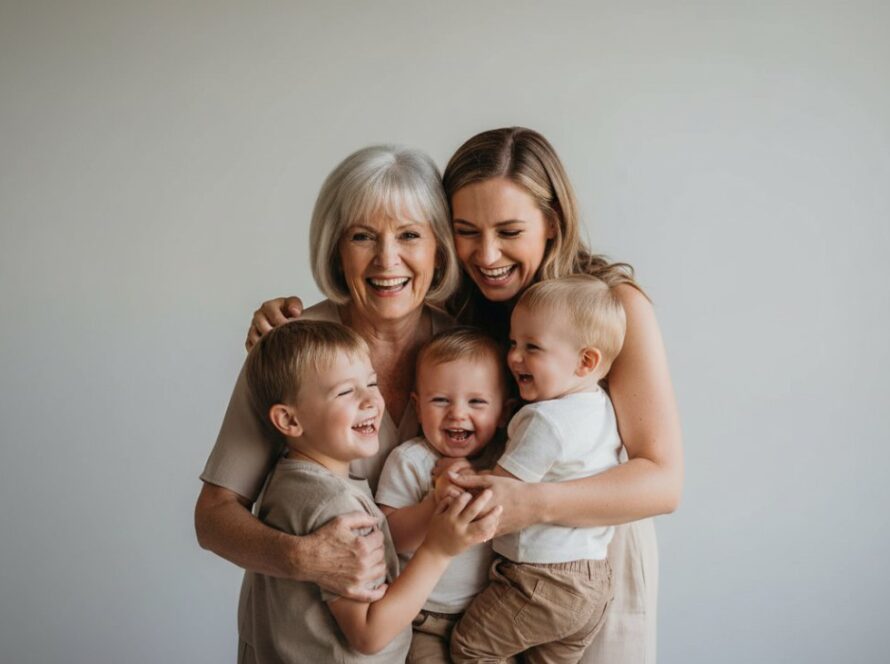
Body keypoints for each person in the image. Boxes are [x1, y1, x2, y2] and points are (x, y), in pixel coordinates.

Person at [250, 127, 683, 663]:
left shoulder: (611, 308)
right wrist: (282, 323)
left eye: (509, 230)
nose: (487, 253)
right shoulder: (458, 308)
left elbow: (663, 481)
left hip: (588, 564)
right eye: (465, 231)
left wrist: (527, 503)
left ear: (551, 223)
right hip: (486, 578)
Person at [195, 144, 478, 607]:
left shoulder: (471, 352)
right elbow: (213, 517)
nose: (387, 260)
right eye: (363, 237)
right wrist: (301, 557)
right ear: (336, 249)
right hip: (300, 643)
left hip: (436, 642)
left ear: (438, 249)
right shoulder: (289, 345)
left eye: (409, 235)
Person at [237, 319, 497, 663]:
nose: (371, 401)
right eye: (346, 391)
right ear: (289, 421)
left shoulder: (290, 483)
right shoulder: (336, 508)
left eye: (371, 383)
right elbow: (369, 633)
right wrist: (439, 549)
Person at [450, 276, 625, 663]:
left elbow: (501, 495)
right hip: (594, 579)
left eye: (533, 347)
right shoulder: (599, 406)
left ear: (586, 361)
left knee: (469, 648)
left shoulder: (545, 420)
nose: (513, 357)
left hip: (542, 579)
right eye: (513, 343)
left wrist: (457, 475)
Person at [375, 327, 512, 663]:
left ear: (505, 412)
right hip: (424, 617)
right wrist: (435, 503)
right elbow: (388, 535)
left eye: (476, 401)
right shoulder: (410, 460)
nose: (457, 414)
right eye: (440, 400)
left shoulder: (505, 462)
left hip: (489, 613)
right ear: (417, 407)